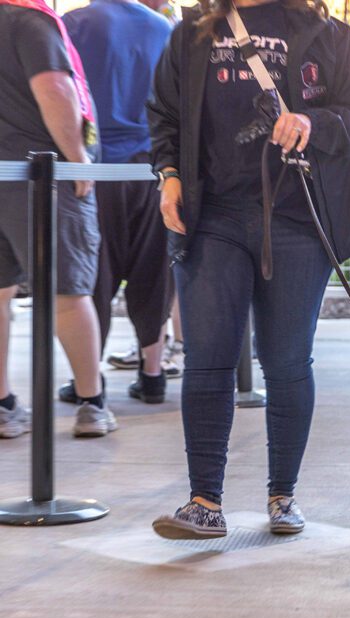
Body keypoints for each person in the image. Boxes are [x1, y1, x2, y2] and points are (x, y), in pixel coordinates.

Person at [147, 0, 350, 538]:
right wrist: (169, 174)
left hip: (299, 219)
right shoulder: (191, 33)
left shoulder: (328, 34)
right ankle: (204, 501)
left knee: (286, 360)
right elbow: (163, 113)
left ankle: (283, 496)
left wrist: (311, 121)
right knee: (207, 358)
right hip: (212, 217)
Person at [0, 0, 118, 439]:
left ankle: (3, 404)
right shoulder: (29, 22)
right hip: (41, 178)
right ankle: (91, 402)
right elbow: (55, 87)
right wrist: (77, 158)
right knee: (68, 291)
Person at [64, 0, 174, 405]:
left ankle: (88, 381)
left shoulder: (74, 23)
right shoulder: (163, 28)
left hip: (97, 166)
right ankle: (153, 374)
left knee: (96, 274)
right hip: (156, 167)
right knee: (155, 269)